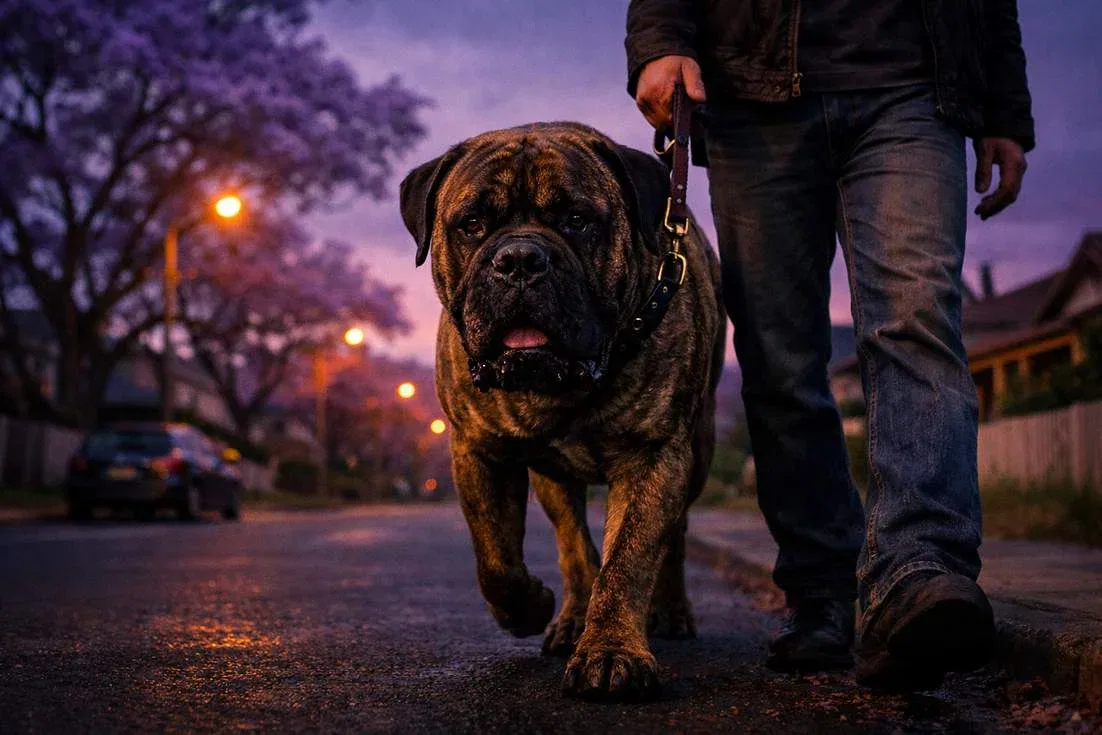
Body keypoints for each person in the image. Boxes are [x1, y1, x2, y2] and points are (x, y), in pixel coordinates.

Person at [626, 0, 1033, 691]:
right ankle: (820, 591)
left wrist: (1005, 111)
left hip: (915, 86)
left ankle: (920, 568)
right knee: (778, 354)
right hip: (752, 91)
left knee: (918, 319)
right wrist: (659, 42)